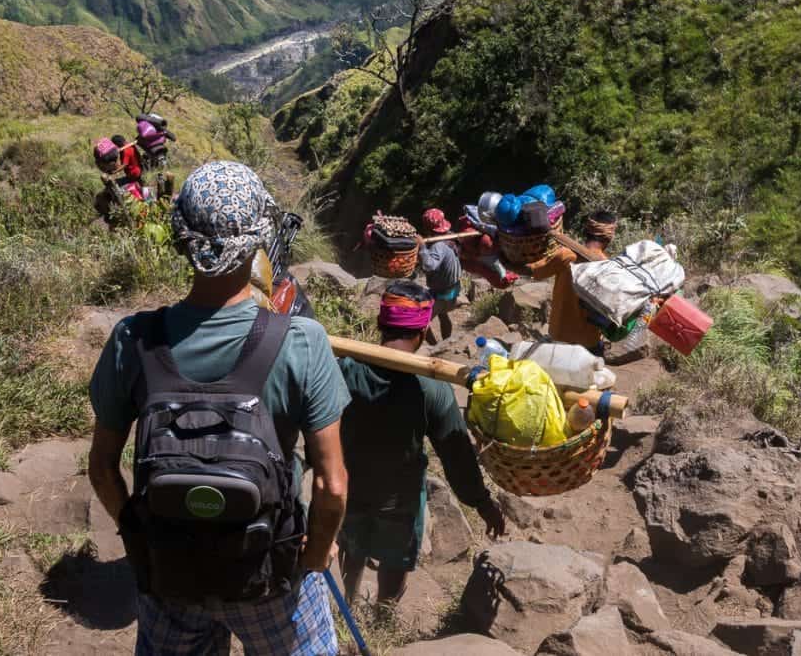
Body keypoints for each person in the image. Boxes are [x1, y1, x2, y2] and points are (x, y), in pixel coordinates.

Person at [88, 161, 349, 656]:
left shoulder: (132, 338)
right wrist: (313, 559)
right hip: (270, 575)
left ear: (182, 236)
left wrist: (140, 542)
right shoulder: (301, 341)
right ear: (259, 240)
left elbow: (102, 468)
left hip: (170, 574)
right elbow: (332, 487)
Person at [337, 280, 506, 605]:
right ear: (424, 330)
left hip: (350, 489)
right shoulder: (431, 388)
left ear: (380, 323)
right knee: (395, 560)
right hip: (400, 501)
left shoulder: (346, 369)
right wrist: (481, 501)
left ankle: (347, 601)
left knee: (351, 547)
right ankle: (384, 613)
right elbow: (456, 454)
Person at [527, 210, 618, 356]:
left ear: (586, 231)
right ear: (609, 237)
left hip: (559, 337)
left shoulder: (566, 255)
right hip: (589, 343)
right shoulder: (608, 267)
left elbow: (534, 271)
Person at [415, 208, 462, 341]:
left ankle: (434, 347)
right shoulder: (451, 236)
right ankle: (446, 342)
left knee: (421, 321)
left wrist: (422, 247)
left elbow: (429, 266)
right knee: (443, 314)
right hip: (452, 288)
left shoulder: (439, 246)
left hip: (443, 293)